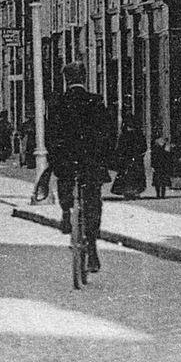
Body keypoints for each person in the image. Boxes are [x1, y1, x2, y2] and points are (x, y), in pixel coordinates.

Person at [45, 62, 114, 273]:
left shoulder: (58, 102)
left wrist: (55, 160)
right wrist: (104, 160)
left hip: (67, 163)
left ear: (66, 80)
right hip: (90, 164)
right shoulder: (95, 101)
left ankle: (66, 212)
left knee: (66, 185)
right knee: (93, 203)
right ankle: (92, 248)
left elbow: (51, 136)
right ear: (84, 78)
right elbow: (107, 134)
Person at [111, 110, 148, 199]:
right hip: (133, 158)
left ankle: (129, 191)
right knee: (133, 175)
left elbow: (121, 147)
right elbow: (143, 146)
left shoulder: (126, 135)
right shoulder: (137, 134)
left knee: (128, 175)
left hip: (129, 158)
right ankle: (133, 191)